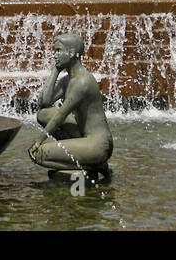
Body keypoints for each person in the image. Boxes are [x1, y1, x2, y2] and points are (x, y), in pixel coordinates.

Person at [28, 33, 113, 175]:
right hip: (84, 135)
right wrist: (55, 70)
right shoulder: (67, 80)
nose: (55, 55)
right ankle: (86, 159)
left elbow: (61, 115)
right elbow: (44, 102)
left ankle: (93, 165)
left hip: (99, 145)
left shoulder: (82, 82)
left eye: (58, 51)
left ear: (72, 53)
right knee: (43, 115)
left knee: (39, 154)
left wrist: (38, 142)